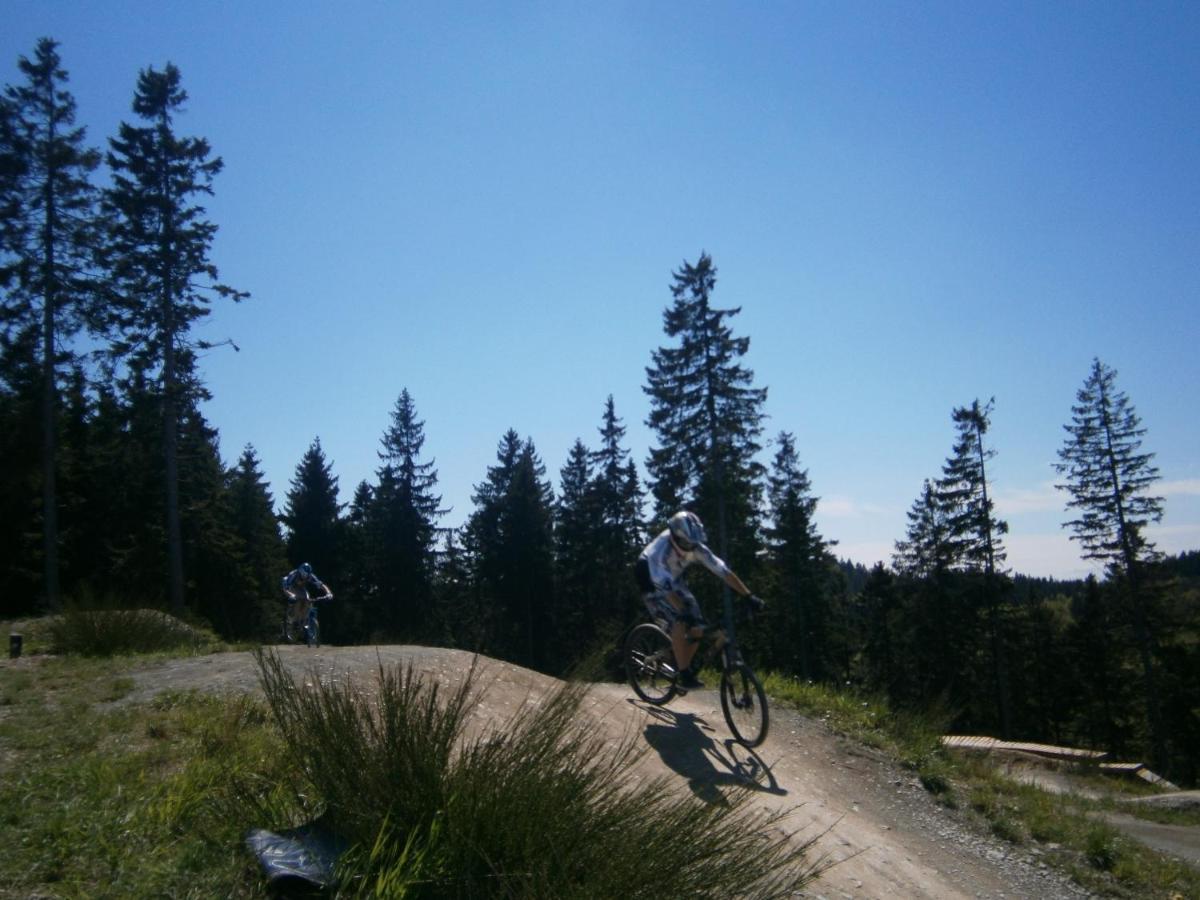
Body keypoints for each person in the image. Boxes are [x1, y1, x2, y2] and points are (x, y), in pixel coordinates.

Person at [635, 510, 762, 690]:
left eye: (694, 543)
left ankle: (683, 667)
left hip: (673, 577)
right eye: (686, 543)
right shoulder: (659, 552)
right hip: (650, 579)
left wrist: (749, 596)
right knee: (680, 620)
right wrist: (682, 612)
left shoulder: (695, 546)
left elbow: (723, 571)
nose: (691, 547)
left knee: (698, 627)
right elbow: (664, 589)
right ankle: (684, 674)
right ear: (674, 537)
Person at [281, 562, 333, 635]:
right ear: (300, 572)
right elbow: (286, 589)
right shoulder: (293, 574)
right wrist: (291, 595)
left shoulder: (310, 576)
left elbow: (321, 585)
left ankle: (303, 621)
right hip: (290, 588)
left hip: (301, 589)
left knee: (308, 600)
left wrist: (328, 593)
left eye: (306, 576)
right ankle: (293, 619)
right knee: (297, 600)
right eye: (303, 576)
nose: (305, 578)